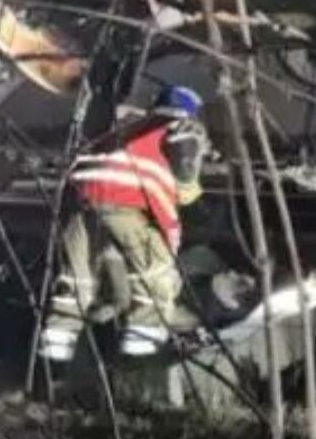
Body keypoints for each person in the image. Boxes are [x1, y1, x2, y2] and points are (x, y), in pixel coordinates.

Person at [41, 83, 208, 361]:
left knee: (77, 275)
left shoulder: (124, 124)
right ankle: (143, 332)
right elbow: (185, 169)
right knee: (154, 268)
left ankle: (59, 335)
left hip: (85, 200)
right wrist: (191, 188)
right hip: (126, 201)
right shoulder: (179, 127)